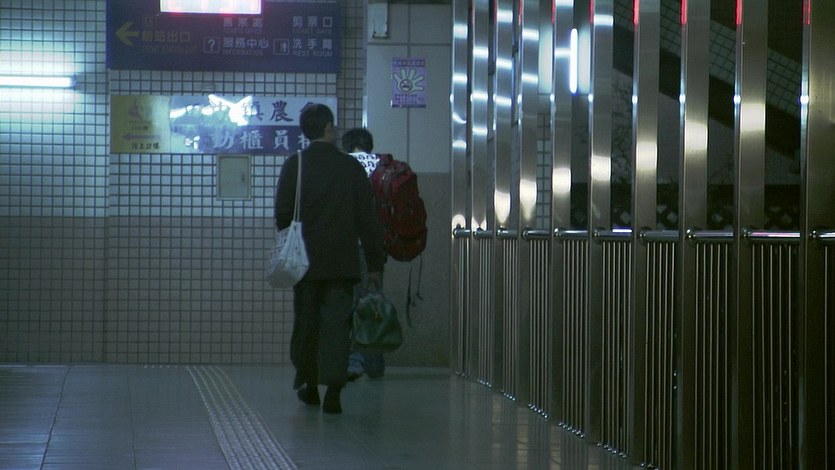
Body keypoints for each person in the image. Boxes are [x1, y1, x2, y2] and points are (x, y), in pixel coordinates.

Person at [274, 105, 386, 414]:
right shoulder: (349, 167)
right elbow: (368, 219)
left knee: (307, 324)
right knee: (337, 327)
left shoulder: (295, 164)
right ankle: (334, 391)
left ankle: (309, 384)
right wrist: (375, 263)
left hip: (305, 264)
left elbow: (282, 214)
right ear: (328, 127)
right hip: (342, 264)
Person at [341, 128, 387, 381]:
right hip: (374, 249)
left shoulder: (343, 168)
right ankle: (375, 365)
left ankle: (353, 363)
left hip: (349, 248)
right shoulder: (381, 168)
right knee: (373, 305)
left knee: (350, 306)